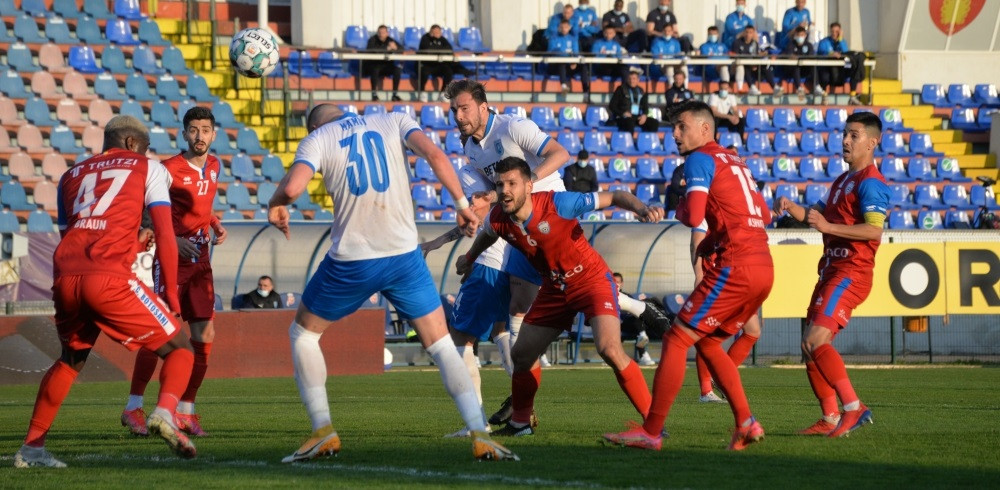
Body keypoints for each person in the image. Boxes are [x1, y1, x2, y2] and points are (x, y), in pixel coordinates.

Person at [268, 104, 517, 462]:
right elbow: (433, 153)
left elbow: (292, 189)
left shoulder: (318, 139)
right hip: (404, 256)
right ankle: (480, 434)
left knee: (304, 334)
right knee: (443, 345)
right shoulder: (393, 118)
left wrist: (277, 201)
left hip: (353, 260)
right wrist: (462, 204)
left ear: (313, 127)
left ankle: (323, 430)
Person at [13, 115, 195, 468]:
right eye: (143, 147)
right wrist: (171, 295)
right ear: (131, 143)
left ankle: (31, 449)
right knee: (180, 349)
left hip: (66, 276)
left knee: (71, 360)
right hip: (107, 278)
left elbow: (78, 235)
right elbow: (167, 235)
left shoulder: (70, 175)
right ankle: (164, 413)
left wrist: (133, 244)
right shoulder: (149, 168)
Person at [603, 100, 772, 451]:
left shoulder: (699, 159)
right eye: (672, 127)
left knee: (676, 340)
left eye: (681, 126)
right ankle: (746, 423)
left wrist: (685, 210)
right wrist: (714, 238)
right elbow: (763, 214)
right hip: (762, 265)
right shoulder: (736, 160)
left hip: (735, 266)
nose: (675, 134)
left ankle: (652, 432)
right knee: (708, 343)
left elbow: (694, 214)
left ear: (705, 128)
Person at [456, 156, 664, 436]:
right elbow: (488, 235)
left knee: (609, 349)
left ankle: (654, 426)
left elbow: (614, 195)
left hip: (590, 281)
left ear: (529, 186)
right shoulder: (499, 218)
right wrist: (469, 258)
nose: (505, 190)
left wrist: (642, 208)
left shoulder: (558, 204)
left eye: (512, 183)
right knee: (522, 355)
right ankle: (520, 423)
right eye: (500, 184)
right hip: (555, 288)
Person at [446, 78, 570, 425]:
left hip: (551, 217)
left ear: (483, 107)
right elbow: (490, 203)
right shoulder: (471, 150)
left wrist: (526, 185)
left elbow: (560, 154)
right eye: (454, 109)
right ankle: (520, 408)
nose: (458, 115)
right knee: (515, 313)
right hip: (521, 228)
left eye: (464, 107)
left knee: (583, 292)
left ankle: (504, 411)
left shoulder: (513, 125)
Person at [773, 111, 889, 438]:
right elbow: (815, 215)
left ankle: (854, 407)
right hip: (830, 270)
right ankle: (829, 416)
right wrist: (791, 207)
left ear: (872, 142)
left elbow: (874, 231)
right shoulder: (842, 181)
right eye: (845, 134)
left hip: (851, 272)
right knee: (808, 346)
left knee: (815, 340)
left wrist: (827, 226)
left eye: (853, 135)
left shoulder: (872, 183)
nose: (845, 140)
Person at [122, 106, 228, 439]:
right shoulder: (166, 169)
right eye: (193, 130)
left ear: (214, 134)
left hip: (201, 262)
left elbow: (202, 205)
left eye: (206, 130)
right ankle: (134, 408)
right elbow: (142, 209)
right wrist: (174, 239)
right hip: (170, 261)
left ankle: (185, 411)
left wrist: (214, 223)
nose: (200, 136)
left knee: (205, 337)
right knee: (158, 337)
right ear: (184, 134)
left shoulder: (214, 165)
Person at [690, 226, 763, 403]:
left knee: (753, 331)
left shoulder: (734, 211)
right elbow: (696, 245)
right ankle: (706, 391)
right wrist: (699, 275)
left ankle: (718, 377)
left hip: (736, 278)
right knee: (706, 335)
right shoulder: (706, 211)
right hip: (715, 281)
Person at [613, 272, 667, 366]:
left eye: (618, 282)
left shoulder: (627, 296)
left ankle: (643, 351)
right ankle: (643, 351)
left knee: (640, 319)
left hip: (633, 323)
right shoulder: (608, 296)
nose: (616, 284)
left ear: (622, 283)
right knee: (639, 324)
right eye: (614, 281)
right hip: (620, 324)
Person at [816, 22, 865, 105]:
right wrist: (831, 53)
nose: (834, 34)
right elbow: (822, 51)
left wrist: (841, 39)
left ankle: (852, 96)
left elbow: (846, 52)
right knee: (824, 75)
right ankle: (824, 96)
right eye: (833, 31)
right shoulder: (824, 41)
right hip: (828, 68)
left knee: (854, 69)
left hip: (841, 69)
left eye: (837, 31)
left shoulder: (842, 41)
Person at [547, 19, 592, 102]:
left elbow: (576, 52)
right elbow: (551, 52)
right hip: (556, 67)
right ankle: (564, 86)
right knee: (562, 62)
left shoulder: (573, 39)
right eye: (562, 27)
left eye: (566, 27)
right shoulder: (553, 38)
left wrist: (574, 61)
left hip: (570, 65)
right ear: (559, 28)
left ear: (569, 28)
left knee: (583, 67)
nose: (564, 29)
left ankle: (586, 94)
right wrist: (565, 55)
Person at [732, 24, 779, 96]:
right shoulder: (737, 42)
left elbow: (755, 56)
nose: (748, 34)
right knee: (745, 66)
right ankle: (752, 87)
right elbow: (735, 56)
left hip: (754, 67)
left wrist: (760, 57)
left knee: (765, 67)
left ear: (753, 34)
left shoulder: (755, 43)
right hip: (741, 67)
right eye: (747, 32)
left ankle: (775, 87)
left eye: (750, 32)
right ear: (744, 33)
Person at [416, 24, 458, 102]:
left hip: (438, 65)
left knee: (448, 71)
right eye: (434, 32)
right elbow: (427, 49)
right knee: (423, 72)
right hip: (427, 64)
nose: (436, 34)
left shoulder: (442, 39)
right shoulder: (425, 38)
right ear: (430, 32)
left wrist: (438, 50)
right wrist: (440, 50)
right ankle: (422, 92)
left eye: (438, 32)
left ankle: (443, 93)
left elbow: (449, 49)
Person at [609, 68, 658, 134]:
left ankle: (648, 141)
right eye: (630, 78)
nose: (632, 81)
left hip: (636, 117)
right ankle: (629, 142)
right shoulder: (620, 89)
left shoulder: (641, 91)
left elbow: (645, 107)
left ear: (638, 80)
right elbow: (612, 106)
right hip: (623, 117)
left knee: (654, 123)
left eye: (634, 79)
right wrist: (623, 113)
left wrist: (644, 115)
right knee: (629, 122)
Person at [364, 25, 403, 102]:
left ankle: (394, 94)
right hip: (375, 64)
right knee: (374, 70)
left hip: (387, 65)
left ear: (387, 33)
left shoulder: (390, 40)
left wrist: (396, 48)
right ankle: (374, 94)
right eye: (380, 32)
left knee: (397, 70)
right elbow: (371, 50)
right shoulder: (372, 40)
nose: (381, 34)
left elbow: (402, 49)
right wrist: (386, 49)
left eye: (383, 32)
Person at [781, 26, 818, 99]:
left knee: (813, 67)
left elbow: (810, 57)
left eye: (802, 35)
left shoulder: (809, 45)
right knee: (796, 66)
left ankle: (817, 87)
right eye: (798, 35)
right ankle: (799, 88)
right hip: (793, 71)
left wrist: (799, 57)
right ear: (795, 36)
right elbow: (789, 55)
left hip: (805, 69)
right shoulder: (791, 44)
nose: (800, 37)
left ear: (805, 35)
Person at [591, 25, 629, 89]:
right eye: (606, 33)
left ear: (614, 34)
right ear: (603, 33)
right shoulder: (597, 43)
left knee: (624, 68)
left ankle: (624, 90)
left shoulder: (616, 45)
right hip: (602, 68)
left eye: (610, 33)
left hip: (613, 67)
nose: (608, 35)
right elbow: (594, 57)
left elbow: (619, 57)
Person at [650, 24, 685, 91]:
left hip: (674, 64)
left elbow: (679, 55)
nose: (667, 33)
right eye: (665, 31)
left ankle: (685, 89)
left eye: (669, 31)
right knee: (670, 68)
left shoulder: (675, 42)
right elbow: (655, 55)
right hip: (662, 66)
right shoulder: (656, 42)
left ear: (672, 32)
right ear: (662, 31)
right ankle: (673, 90)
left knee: (684, 67)